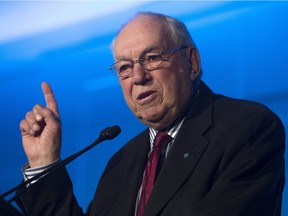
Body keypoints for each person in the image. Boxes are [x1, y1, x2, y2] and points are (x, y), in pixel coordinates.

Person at [16, 12, 285, 216]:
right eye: (124, 67)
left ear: (192, 63)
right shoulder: (120, 163)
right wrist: (45, 163)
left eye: (153, 57)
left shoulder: (246, 126)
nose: (138, 77)